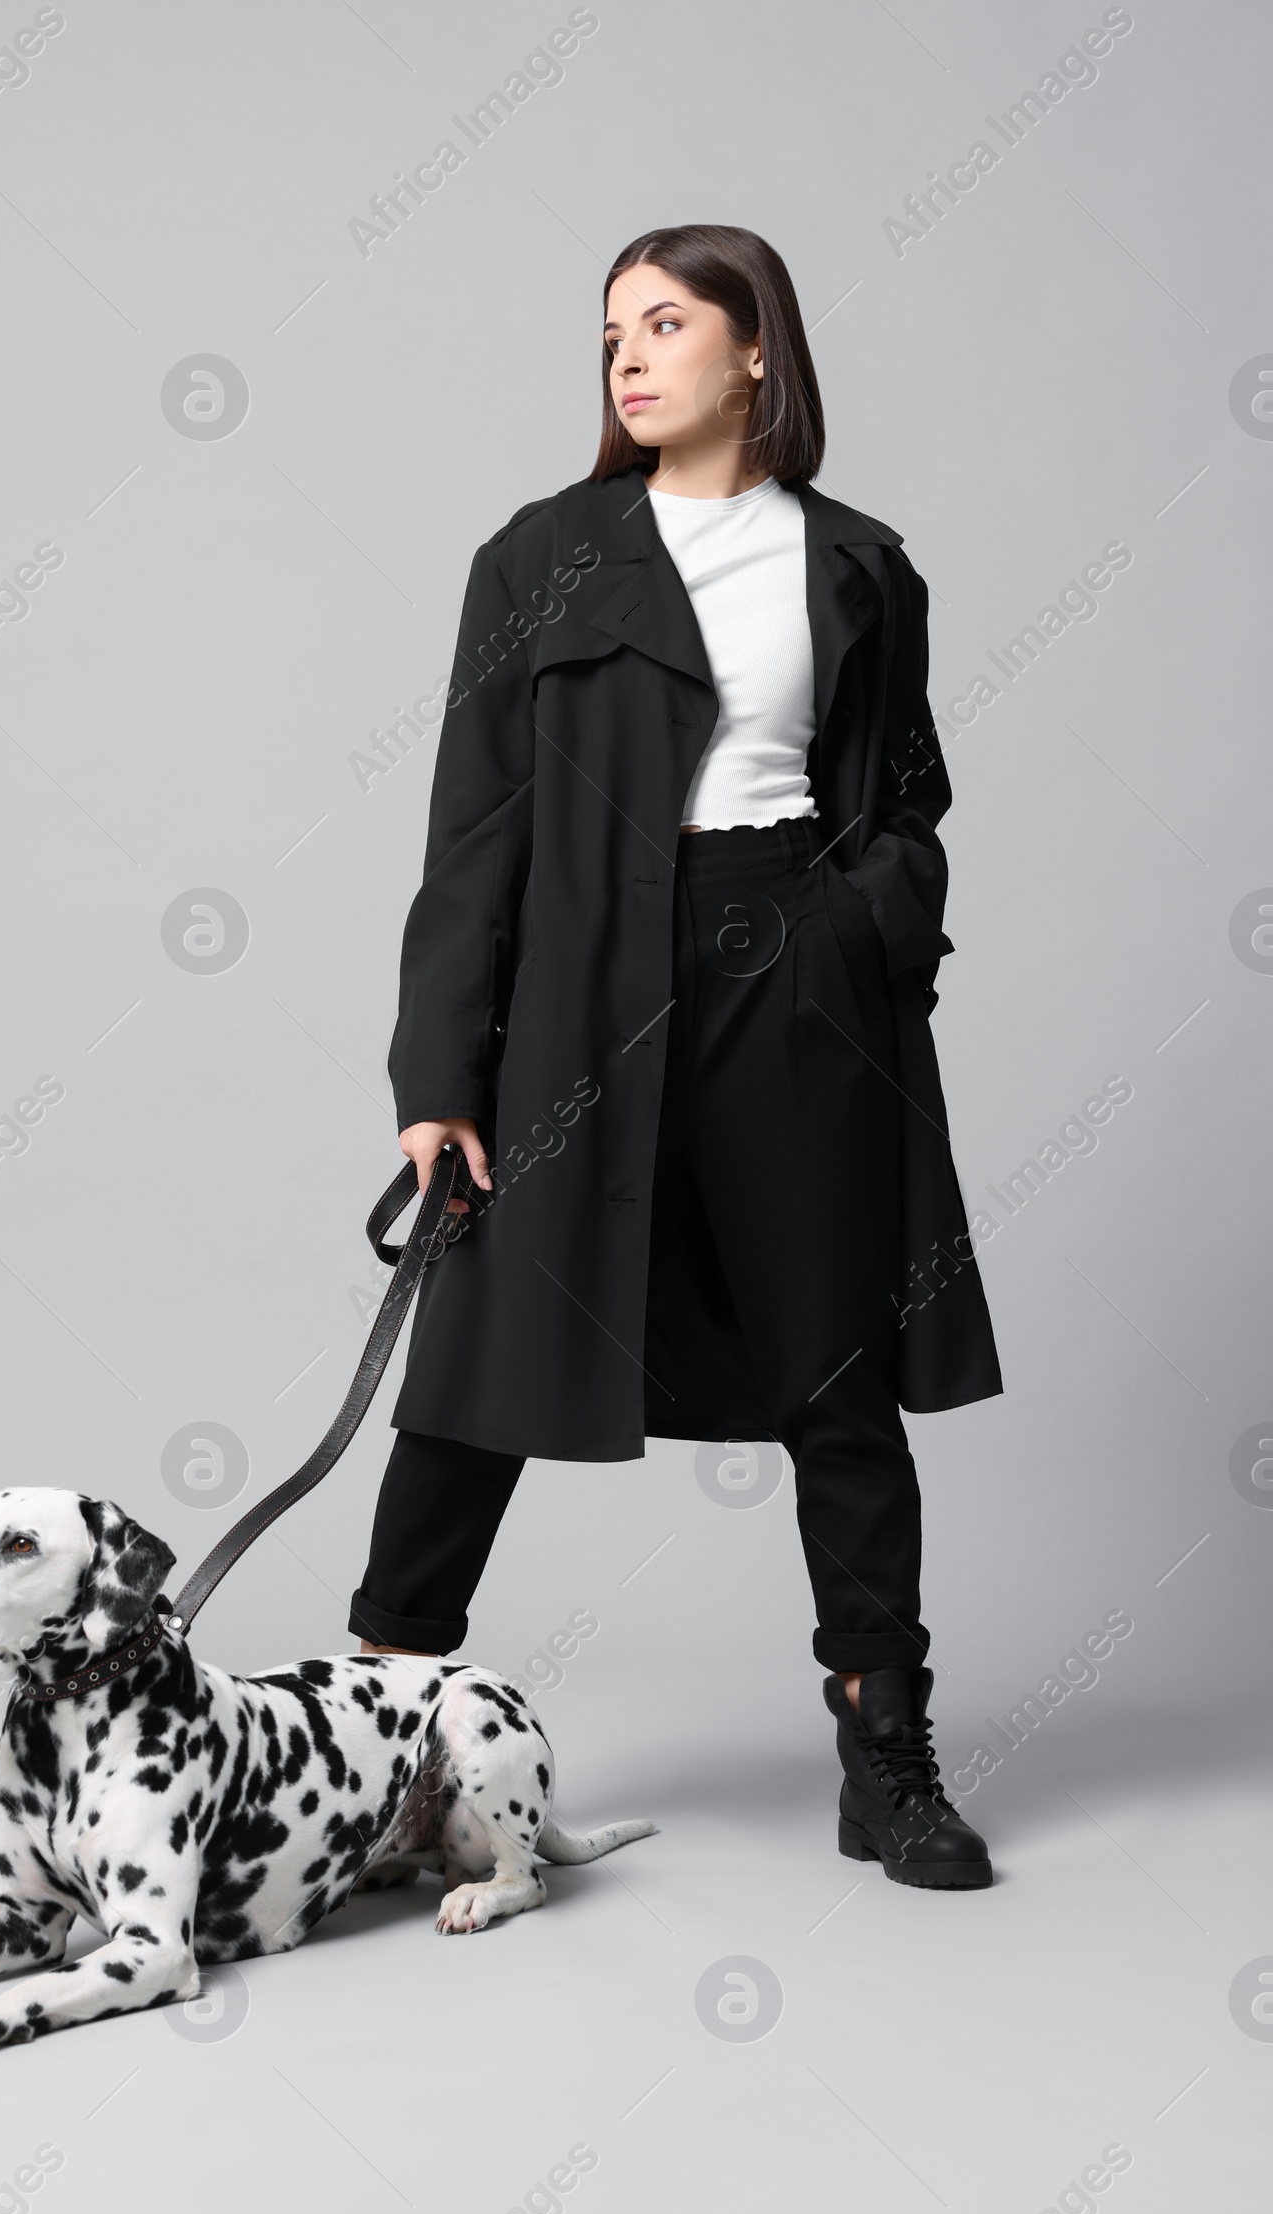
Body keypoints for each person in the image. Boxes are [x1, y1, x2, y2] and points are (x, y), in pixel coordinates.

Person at [348, 223, 1002, 1892]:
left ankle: (889, 1761)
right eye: (611, 332)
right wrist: (441, 1078)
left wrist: (860, 931)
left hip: (792, 978)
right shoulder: (540, 558)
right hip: (578, 990)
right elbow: (475, 828)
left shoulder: (856, 565)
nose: (628, 356)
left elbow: (906, 802)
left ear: (756, 350)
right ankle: (366, 1741)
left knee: (835, 1379)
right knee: (481, 1371)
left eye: (665, 324)